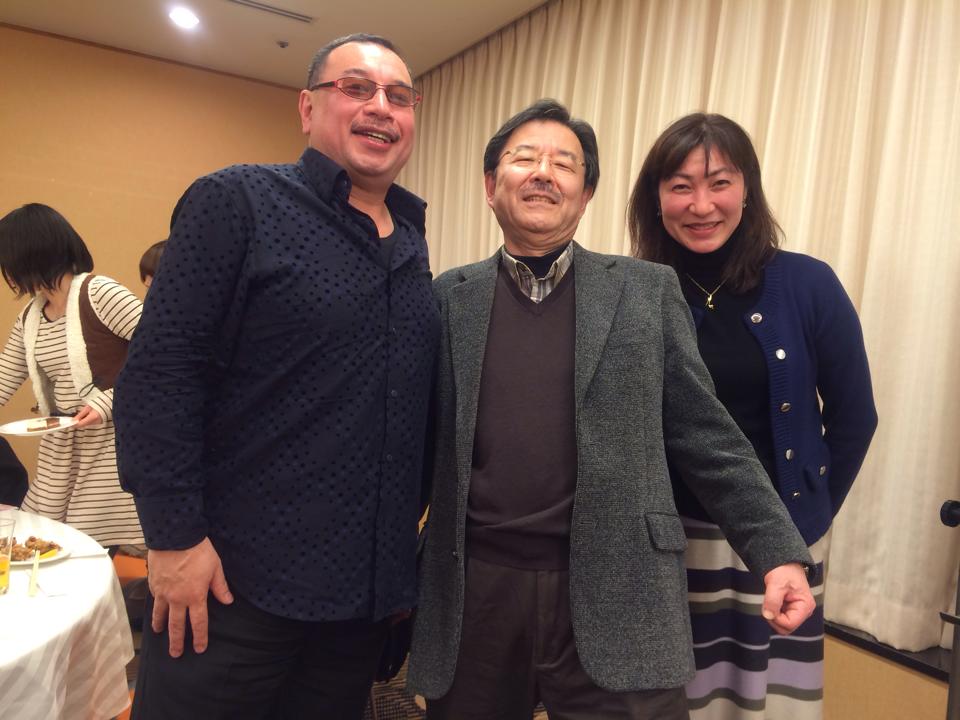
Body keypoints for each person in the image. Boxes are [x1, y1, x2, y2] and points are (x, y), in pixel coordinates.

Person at [407, 99, 817, 720]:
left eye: (564, 163)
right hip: (476, 594)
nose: (543, 173)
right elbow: (413, 448)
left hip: (622, 587)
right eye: (524, 158)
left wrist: (777, 552)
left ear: (586, 193)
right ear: (491, 186)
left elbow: (707, 437)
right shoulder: (447, 299)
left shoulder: (646, 292)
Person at [113, 33, 438, 719]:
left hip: (355, 607)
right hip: (231, 588)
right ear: (308, 108)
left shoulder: (411, 241)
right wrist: (172, 539)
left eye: (399, 96)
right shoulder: (237, 200)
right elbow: (161, 376)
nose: (381, 106)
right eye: (356, 88)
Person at [627, 113, 877, 719]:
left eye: (720, 183)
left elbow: (854, 418)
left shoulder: (809, 284)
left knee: (769, 702)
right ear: (655, 199)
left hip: (780, 544)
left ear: (748, 190)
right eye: (681, 186)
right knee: (674, 698)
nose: (701, 205)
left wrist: (808, 514)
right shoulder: (633, 291)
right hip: (671, 544)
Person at [0, 203, 144, 546]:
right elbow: (5, 375)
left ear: (28, 253)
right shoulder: (31, 315)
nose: (6, 273)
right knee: (44, 544)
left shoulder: (99, 293)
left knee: (90, 548)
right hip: (62, 448)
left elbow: (164, 354)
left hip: (109, 444)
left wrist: (107, 402)